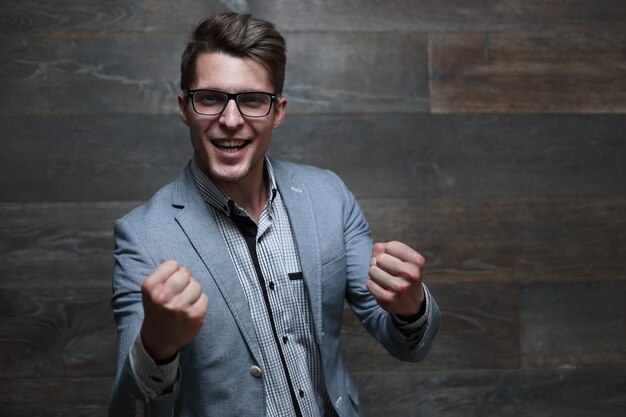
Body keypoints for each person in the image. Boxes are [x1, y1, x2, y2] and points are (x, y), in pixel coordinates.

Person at [109, 12, 439, 417]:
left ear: (278, 111)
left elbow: (406, 343)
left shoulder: (328, 195)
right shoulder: (142, 236)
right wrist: (155, 346)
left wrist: (411, 307)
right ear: (185, 107)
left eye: (252, 100)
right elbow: (128, 410)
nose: (231, 121)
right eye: (210, 98)